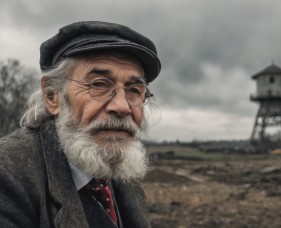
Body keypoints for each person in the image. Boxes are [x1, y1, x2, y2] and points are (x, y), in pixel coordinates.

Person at [0, 21, 161, 227]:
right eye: (99, 85)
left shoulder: (118, 173)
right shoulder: (8, 175)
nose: (122, 107)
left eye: (134, 90)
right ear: (52, 96)